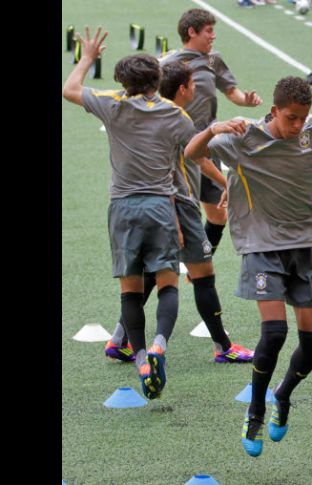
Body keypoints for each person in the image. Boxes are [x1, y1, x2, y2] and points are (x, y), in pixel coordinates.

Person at [184, 76, 312, 457]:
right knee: (273, 333)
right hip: (261, 247)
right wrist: (212, 128)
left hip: (307, 247)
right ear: (273, 112)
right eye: (291, 118)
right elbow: (192, 153)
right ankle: (255, 411)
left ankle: (283, 395)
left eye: (302, 118)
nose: (297, 126)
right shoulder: (241, 138)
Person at [63, 27, 200, 399]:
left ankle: (140, 358)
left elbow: (69, 89)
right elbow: (196, 148)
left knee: (131, 289)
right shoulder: (175, 114)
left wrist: (88, 56)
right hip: (159, 205)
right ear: (158, 81)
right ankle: (159, 344)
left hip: (122, 208)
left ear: (123, 82)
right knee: (168, 282)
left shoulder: (112, 103)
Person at [103, 62, 255, 364]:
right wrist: (229, 184)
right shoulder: (173, 118)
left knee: (147, 275)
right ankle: (222, 346)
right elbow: (197, 159)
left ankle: (119, 338)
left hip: (148, 206)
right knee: (202, 275)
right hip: (176, 206)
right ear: (183, 89)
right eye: (193, 83)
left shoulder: (155, 114)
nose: (197, 88)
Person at [162, 8, 263, 263]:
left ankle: (198, 262)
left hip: (208, 142)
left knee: (218, 215)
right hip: (181, 146)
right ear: (191, 32)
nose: (213, 36)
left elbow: (231, 92)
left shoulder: (212, 60)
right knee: (186, 211)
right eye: (208, 31)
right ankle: (190, 267)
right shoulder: (169, 64)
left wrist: (246, 101)